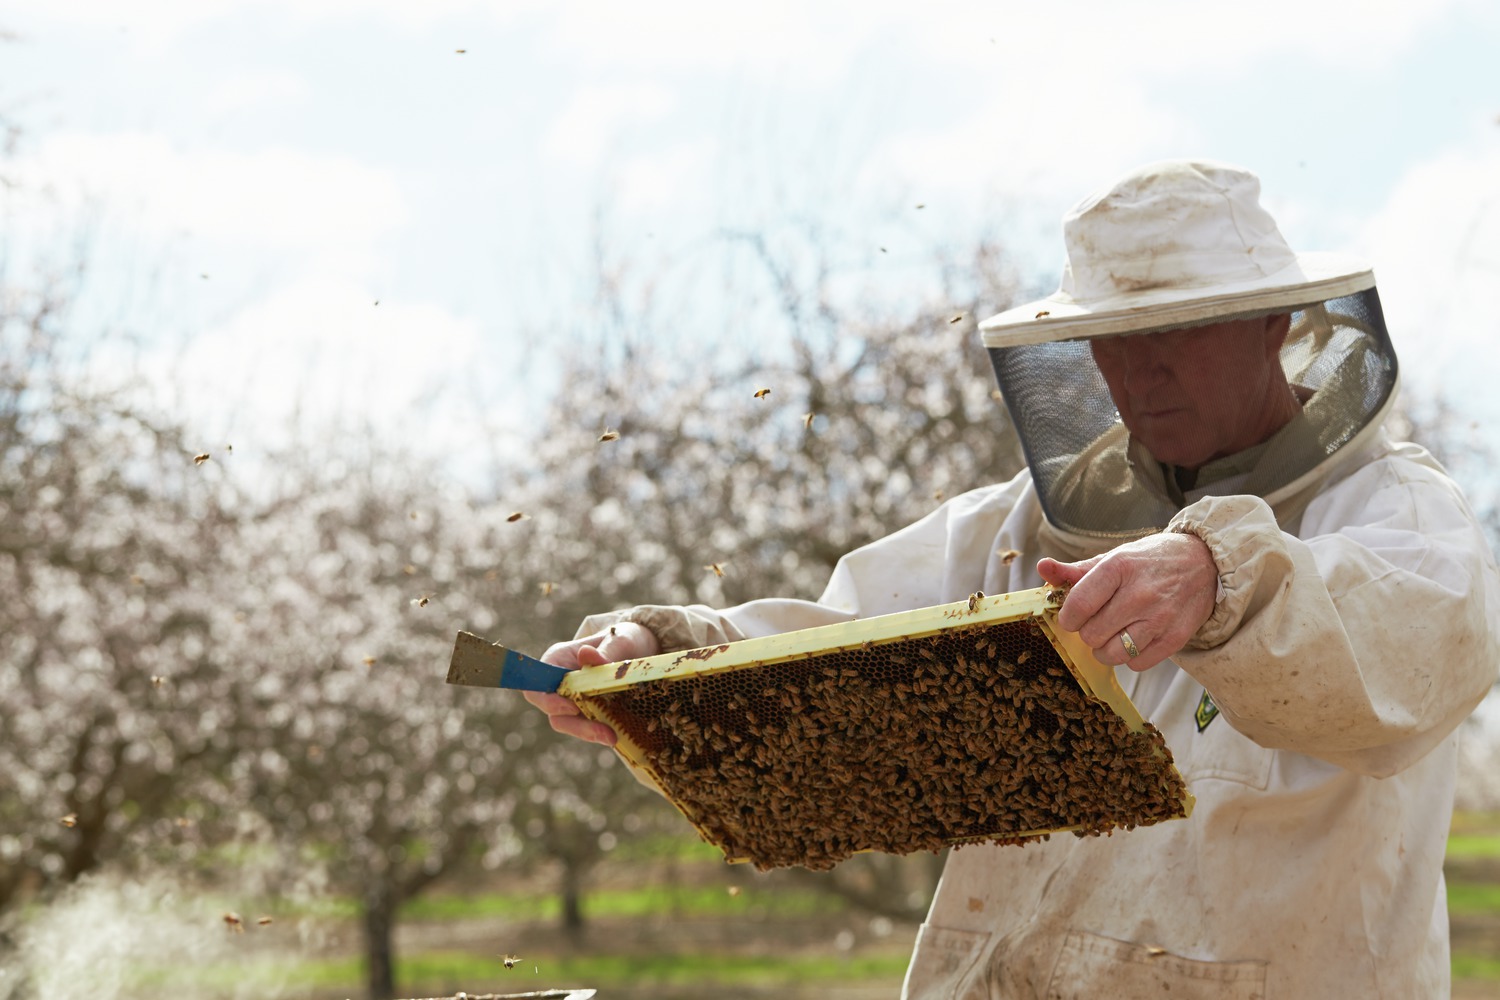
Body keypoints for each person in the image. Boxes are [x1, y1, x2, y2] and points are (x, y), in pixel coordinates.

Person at [525, 159, 1500, 998]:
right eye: (1112, 337)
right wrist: (672, 655)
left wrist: (1216, 571)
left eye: (1176, 330)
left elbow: (1410, 632)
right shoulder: (1035, 520)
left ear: (1273, 322)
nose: (1138, 370)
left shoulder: (1391, 504)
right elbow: (841, 633)